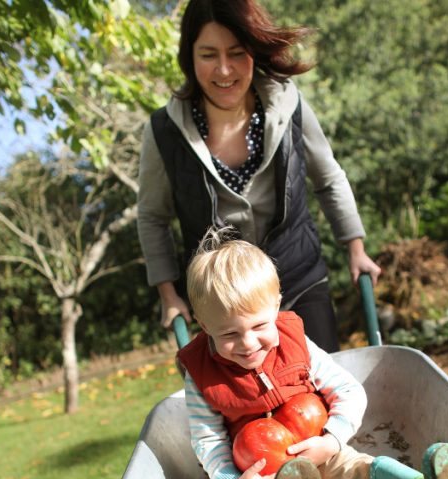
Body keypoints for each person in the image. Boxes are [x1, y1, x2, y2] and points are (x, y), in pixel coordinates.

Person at [177, 230, 448, 479]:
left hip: (315, 442)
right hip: (260, 473)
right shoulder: (201, 375)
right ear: (203, 326)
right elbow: (207, 439)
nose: (247, 343)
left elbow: (348, 391)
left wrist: (330, 440)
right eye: (228, 334)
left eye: (259, 325)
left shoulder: (296, 343)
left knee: (356, 469)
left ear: (276, 305)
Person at [137, 0, 382, 353]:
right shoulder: (164, 132)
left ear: (254, 50)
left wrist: (355, 247)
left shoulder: (288, 104)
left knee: (321, 392)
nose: (224, 70)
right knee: (246, 407)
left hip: (299, 279)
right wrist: (168, 293)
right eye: (208, 55)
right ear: (189, 57)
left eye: (236, 53)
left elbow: (328, 177)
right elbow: (152, 216)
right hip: (223, 304)